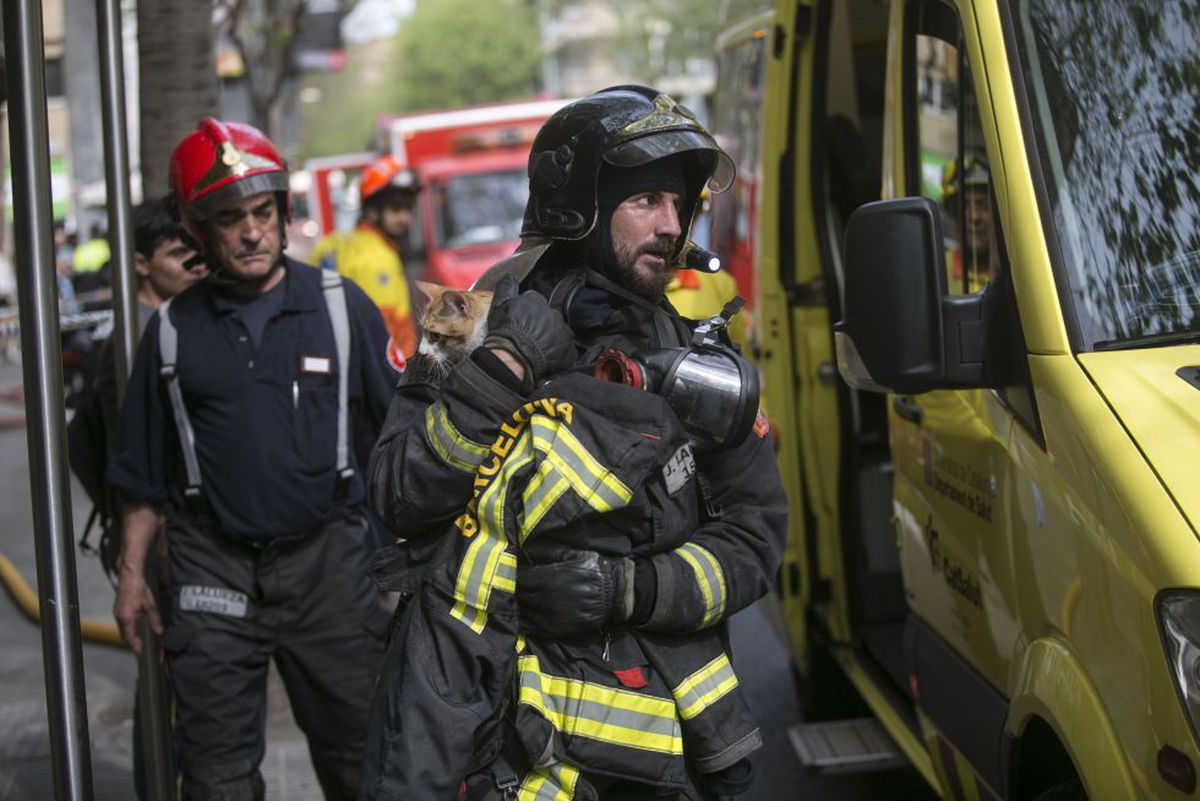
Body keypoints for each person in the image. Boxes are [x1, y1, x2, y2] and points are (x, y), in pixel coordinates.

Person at [364, 86, 788, 800]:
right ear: (579, 205)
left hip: (645, 756)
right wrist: (497, 374)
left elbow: (757, 537)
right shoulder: (461, 323)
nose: (670, 224)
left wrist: (634, 587)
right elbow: (396, 495)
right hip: (490, 737)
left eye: (679, 204)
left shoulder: (693, 360)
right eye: (645, 200)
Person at [106, 117, 394, 800]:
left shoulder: (339, 307)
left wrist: (409, 566)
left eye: (263, 212)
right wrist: (129, 575)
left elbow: (397, 443)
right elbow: (143, 471)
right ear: (198, 231)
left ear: (282, 213)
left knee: (364, 759)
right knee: (215, 774)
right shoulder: (174, 331)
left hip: (329, 563)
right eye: (230, 218)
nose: (252, 231)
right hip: (213, 566)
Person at [310, 155, 420, 367]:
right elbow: (385, 335)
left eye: (408, 208)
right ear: (371, 209)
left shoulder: (330, 244)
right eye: (396, 209)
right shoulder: (378, 259)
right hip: (385, 375)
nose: (405, 219)